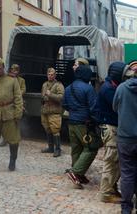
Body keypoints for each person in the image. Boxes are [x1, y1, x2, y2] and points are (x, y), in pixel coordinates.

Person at [62, 64, 100, 189]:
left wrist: (75, 111)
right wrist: (96, 121)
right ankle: (76, 172)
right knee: (91, 148)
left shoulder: (68, 88)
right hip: (84, 124)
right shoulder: (88, 89)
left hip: (71, 122)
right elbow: (94, 108)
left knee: (76, 149)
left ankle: (79, 175)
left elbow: (65, 105)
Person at [95, 62, 127, 204]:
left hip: (112, 128)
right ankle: (106, 194)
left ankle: (111, 188)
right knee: (111, 162)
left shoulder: (110, 86)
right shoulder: (108, 89)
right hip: (111, 129)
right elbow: (119, 106)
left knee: (116, 162)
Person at [113, 60, 137, 214]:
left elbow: (115, 107)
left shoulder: (121, 88)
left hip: (125, 138)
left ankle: (126, 208)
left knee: (127, 174)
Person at [0, 64, 26, 147]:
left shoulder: (21, 80)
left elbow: (23, 89)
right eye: (13, 70)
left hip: (17, 103)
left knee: (16, 121)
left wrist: (16, 95)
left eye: (16, 70)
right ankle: (5, 139)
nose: (15, 72)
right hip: (8, 103)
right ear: (11, 70)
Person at [40, 67, 65, 157]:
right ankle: (50, 147)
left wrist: (51, 95)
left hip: (54, 110)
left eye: (52, 74)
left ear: (55, 75)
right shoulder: (44, 84)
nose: (50, 76)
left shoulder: (59, 85)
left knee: (55, 129)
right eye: (49, 74)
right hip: (45, 110)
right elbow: (42, 95)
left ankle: (57, 149)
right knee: (47, 128)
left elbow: (61, 97)